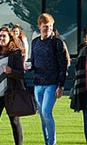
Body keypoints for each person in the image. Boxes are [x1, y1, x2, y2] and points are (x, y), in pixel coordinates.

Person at [30, 14, 72, 145]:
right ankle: (46, 141)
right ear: (39, 26)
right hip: (38, 83)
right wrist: (28, 66)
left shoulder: (57, 42)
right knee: (42, 115)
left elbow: (63, 64)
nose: (47, 29)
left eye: (50, 26)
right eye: (45, 26)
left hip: (52, 84)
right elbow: (33, 61)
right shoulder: (35, 42)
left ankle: (52, 141)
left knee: (46, 112)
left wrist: (61, 86)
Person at [0, 27, 27, 145]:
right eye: (0, 36)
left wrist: (11, 71)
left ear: (10, 38)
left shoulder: (15, 54)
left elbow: (21, 74)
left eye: (4, 36)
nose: (1, 38)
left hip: (10, 94)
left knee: (15, 122)